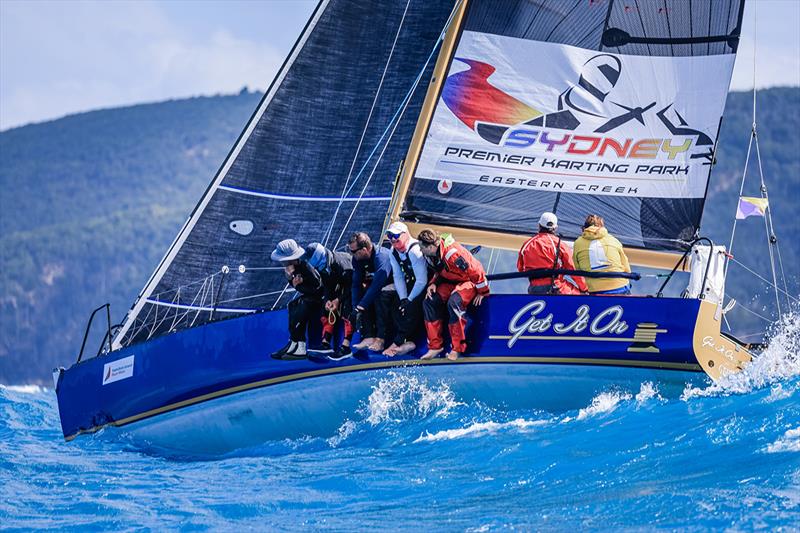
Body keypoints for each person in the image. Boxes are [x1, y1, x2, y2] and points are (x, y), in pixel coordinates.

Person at [418, 229, 489, 361]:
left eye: (422, 247)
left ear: (431, 246)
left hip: (469, 281)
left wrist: (483, 292)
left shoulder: (453, 254)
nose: (420, 250)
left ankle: (457, 349)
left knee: (454, 302)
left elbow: (476, 271)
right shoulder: (432, 254)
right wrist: (433, 283)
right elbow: (440, 270)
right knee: (429, 301)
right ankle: (435, 347)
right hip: (451, 281)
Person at [270, 239, 323, 360]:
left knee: (302, 306)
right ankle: (293, 342)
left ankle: (301, 346)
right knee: (292, 305)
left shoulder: (306, 265)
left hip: (320, 298)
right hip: (312, 296)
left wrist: (297, 285)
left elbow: (317, 288)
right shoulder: (295, 266)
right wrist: (290, 279)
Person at [383, 222, 428, 357]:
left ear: (406, 234)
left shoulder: (414, 250)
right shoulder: (393, 251)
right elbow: (398, 275)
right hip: (413, 282)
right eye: (390, 235)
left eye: (396, 235)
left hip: (426, 282)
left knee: (412, 307)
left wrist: (409, 299)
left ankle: (398, 342)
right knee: (395, 305)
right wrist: (403, 298)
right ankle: (407, 342)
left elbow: (422, 280)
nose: (392, 238)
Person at [305, 242, 355, 359]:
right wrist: (328, 300)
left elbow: (352, 285)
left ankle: (346, 347)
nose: (319, 267)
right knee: (325, 308)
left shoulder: (342, 263)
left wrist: (338, 300)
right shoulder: (322, 266)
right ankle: (325, 343)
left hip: (354, 284)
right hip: (341, 284)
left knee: (348, 305)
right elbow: (327, 285)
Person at [517, 212, 588, 295]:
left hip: (534, 289)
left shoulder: (527, 244)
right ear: (555, 228)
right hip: (556, 287)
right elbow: (572, 269)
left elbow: (521, 269)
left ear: (539, 225)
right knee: (582, 297)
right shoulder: (559, 244)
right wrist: (585, 288)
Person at [348, 232, 394, 352]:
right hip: (377, 285)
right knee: (362, 296)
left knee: (377, 296)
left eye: (353, 251)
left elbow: (378, 284)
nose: (351, 254)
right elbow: (356, 284)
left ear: (364, 249)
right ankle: (368, 337)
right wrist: (355, 307)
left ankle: (380, 339)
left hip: (394, 283)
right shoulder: (358, 259)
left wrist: (361, 306)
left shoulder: (382, 257)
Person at [573, 214, 632, 295]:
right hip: (619, 287)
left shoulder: (577, 243)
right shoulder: (613, 240)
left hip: (594, 291)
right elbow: (627, 269)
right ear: (602, 226)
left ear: (584, 228)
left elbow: (577, 268)